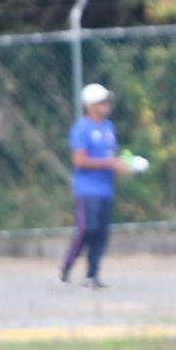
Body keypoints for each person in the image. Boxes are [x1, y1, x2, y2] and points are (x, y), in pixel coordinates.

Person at [60, 83, 131, 289]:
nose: (106, 104)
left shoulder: (109, 127)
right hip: (87, 189)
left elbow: (109, 157)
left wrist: (122, 166)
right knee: (87, 229)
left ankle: (92, 275)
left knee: (102, 233)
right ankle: (67, 265)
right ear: (90, 105)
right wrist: (109, 163)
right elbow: (79, 160)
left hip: (106, 189)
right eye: (101, 102)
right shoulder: (82, 128)